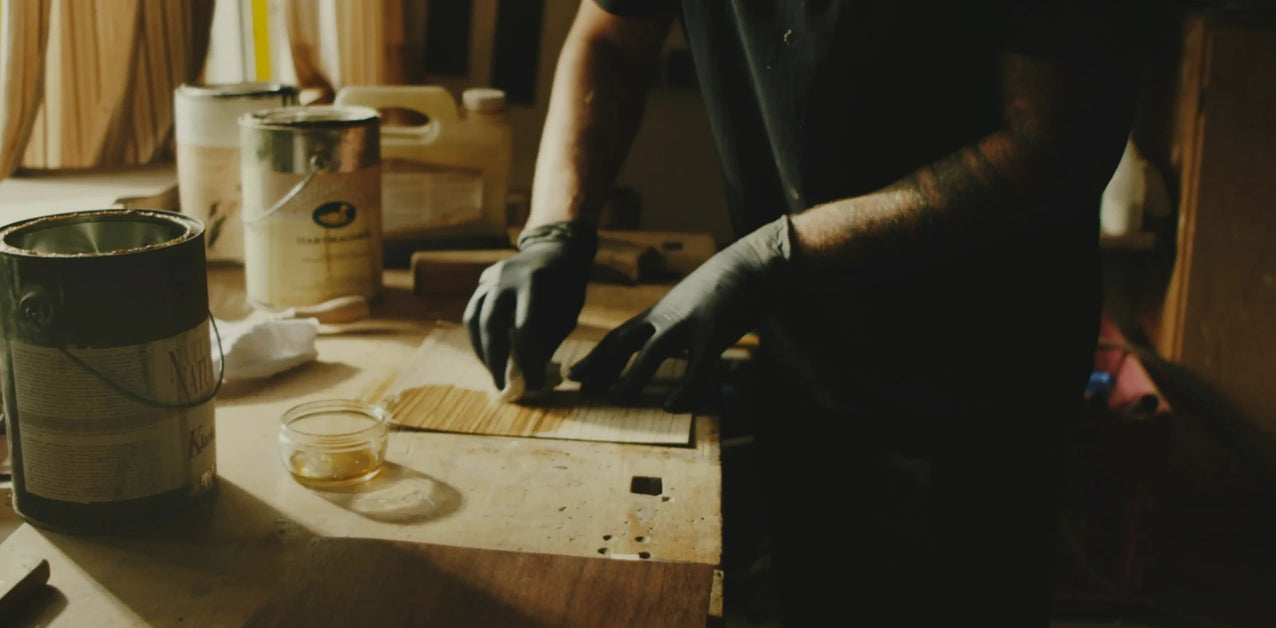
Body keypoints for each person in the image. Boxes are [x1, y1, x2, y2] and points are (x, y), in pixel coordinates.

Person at [466, 0, 1149, 625]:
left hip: (982, 373)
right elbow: (610, 37)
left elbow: (1055, 145)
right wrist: (556, 230)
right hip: (809, 347)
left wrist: (777, 254)